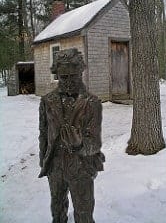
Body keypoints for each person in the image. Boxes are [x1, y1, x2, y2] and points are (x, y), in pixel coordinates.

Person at [38, 48, 105, 223]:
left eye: (73, 76)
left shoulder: (92, 103)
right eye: (63, 77)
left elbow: (95, 143)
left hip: (81, 167)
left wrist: (80, 144)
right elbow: (44, 133)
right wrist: (44, 159)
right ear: (57, 75)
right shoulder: (47, 101)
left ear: (80, 72)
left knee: (84, 213)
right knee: (57, 209)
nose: (68, 81)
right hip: (55, 167)